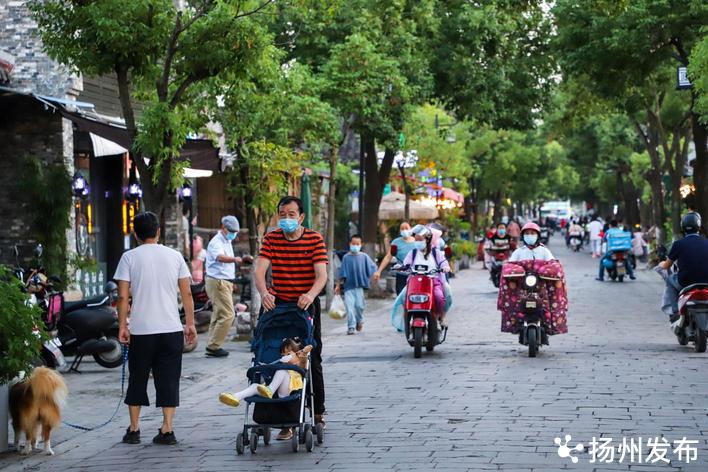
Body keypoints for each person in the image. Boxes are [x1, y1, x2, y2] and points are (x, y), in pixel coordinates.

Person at [114, 212, 196, 446]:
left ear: (135, 234)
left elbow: (122, 296)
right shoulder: (175, 256)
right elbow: (187, 293)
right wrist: (189, 323)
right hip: (171, 329)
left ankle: (134, 429)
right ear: (158, 231)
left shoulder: (128, 258)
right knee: (169, 378)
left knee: (137, 378)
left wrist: (122, 325)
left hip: (141, 330)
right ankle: (167, 429)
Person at [254, 196, 328, 432]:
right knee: (271, 355)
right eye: (282, 215)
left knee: (310, 357)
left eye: (291, 215)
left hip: (304, 306)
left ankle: (317, 412)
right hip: (276, 305)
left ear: (301, 217)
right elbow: (260, 271)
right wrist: (265, 293)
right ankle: (279, 415)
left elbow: (322, 275)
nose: (286, 219)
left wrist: (310, 295)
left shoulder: (314, 239)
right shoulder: (272, 238)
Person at [658, 212, 708, 322]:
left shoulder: (678, 244)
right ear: (698, 227)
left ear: (683, 227)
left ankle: (675, 312)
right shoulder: (706, 243)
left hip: (685, 282)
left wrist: (661, 263)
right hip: (706, 282)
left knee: (670, 280)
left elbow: (667, 265)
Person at [204, 215, 242, 357]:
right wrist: (234, 259)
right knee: (228, 314)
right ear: (223, 228)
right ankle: (214, 346)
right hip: (217, 281)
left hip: (223, 281)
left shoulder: (227, 241)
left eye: (235, 231)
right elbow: (219, 257)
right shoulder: (217, 242)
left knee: (219, 314)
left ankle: (211, 344)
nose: (234, 234)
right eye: (231, 231)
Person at [402, 225, 451, 327]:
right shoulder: (413, 253)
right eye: (416, 239)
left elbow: (443, 262)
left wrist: (445, 267)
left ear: (427, 240)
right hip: (415, 283)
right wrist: (401, 267)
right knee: (403, 297)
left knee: (439, 296)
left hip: (433, 281)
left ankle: (440, 315)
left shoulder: (435, 252)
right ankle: (406, 319)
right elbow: (406, 264)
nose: (417, 242)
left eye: (420, 239)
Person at [336, 235, 377, 335]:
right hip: (348, 287)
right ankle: (351, 327)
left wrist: (375, 275)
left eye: (357, 244)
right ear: (350, 244)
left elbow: (373, 268)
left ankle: (359, 320)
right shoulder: (346, 257)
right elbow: (341, 273)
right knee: (349, 308)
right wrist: (338, 285)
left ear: (361, 245)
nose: (355, 246)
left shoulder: (364, 257)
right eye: (353, 244)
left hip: (359, 287)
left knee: (359, 307)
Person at [373, 221, 417, 293]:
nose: (404, 230)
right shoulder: (396, 242)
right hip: (401, 275)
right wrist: (379, 271)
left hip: (415, 274)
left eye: (406, 228)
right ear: (400, 231)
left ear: (411, 229)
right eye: (402, 229)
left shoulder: (417, 242)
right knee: (401, 296)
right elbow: (388, 257)